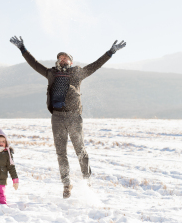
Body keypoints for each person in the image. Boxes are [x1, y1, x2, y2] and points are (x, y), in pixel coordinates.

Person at [9, 36, 126, 198]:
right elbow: (34, 64)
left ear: (71, 61)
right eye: (60, 57)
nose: (62, 59)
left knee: (80, 150)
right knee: (61, 153)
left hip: (74, 117)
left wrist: (110, 52)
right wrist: (23, 49)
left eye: (66, 58)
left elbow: (95, 66)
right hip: (57, 118)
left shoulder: (77, 73)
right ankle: (66, 184)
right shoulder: (51, 73)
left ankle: (87, 180)